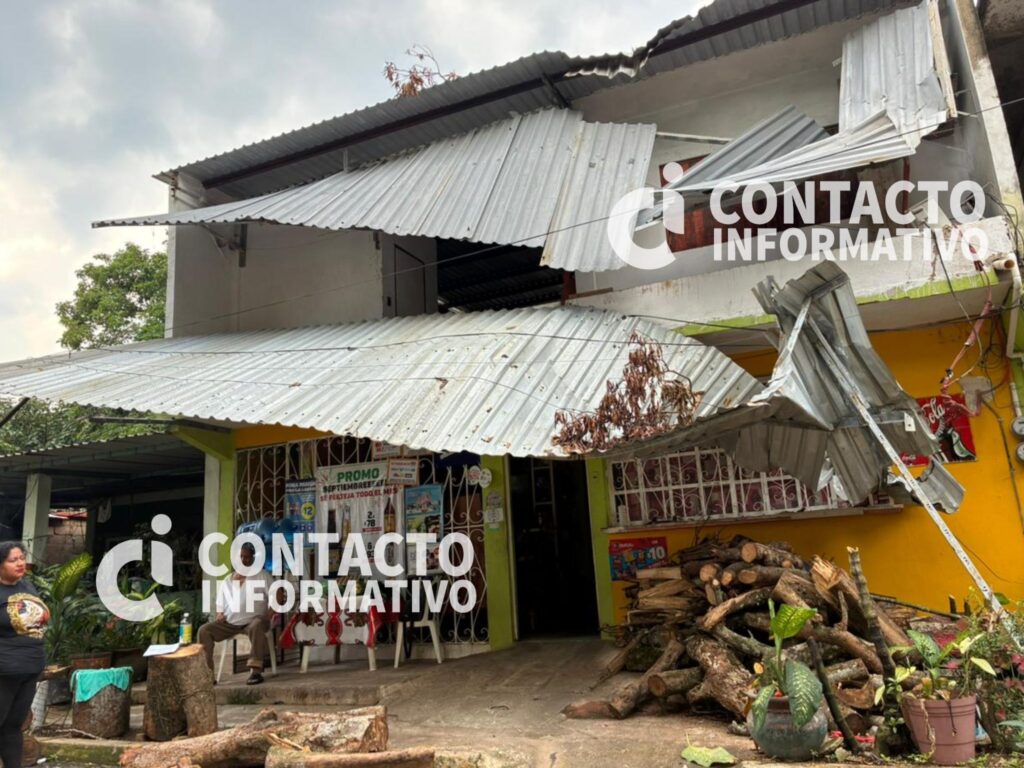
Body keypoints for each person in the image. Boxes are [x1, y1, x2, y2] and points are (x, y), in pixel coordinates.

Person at [197, 543, 275, 685]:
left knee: (257, 625)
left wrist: (268, 615)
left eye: (247, 557)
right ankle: (206, 675)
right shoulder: (228, 580)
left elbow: (278, 595)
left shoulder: (262, 575)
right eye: (241, 557)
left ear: (252, 559)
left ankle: (256, 671)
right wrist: (220, 613)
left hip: (254, 621)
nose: (244, 560)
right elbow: (220, 604)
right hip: (230, 623)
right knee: (204, 630)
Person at [0, 541, 49, 768]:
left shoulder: (28, 586)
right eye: (13, 560)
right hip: (5, 669)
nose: (20, 563)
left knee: (13, 725)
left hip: (30, 668)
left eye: (22, 558)